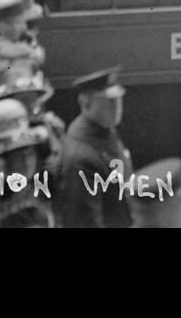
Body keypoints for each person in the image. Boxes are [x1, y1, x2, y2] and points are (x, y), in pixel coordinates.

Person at [54, 66, 133, 228]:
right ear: (85, 103)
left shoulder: (103, 130)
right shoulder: (80, 158)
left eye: (117, 98)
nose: (116, 105)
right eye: (108, 100)